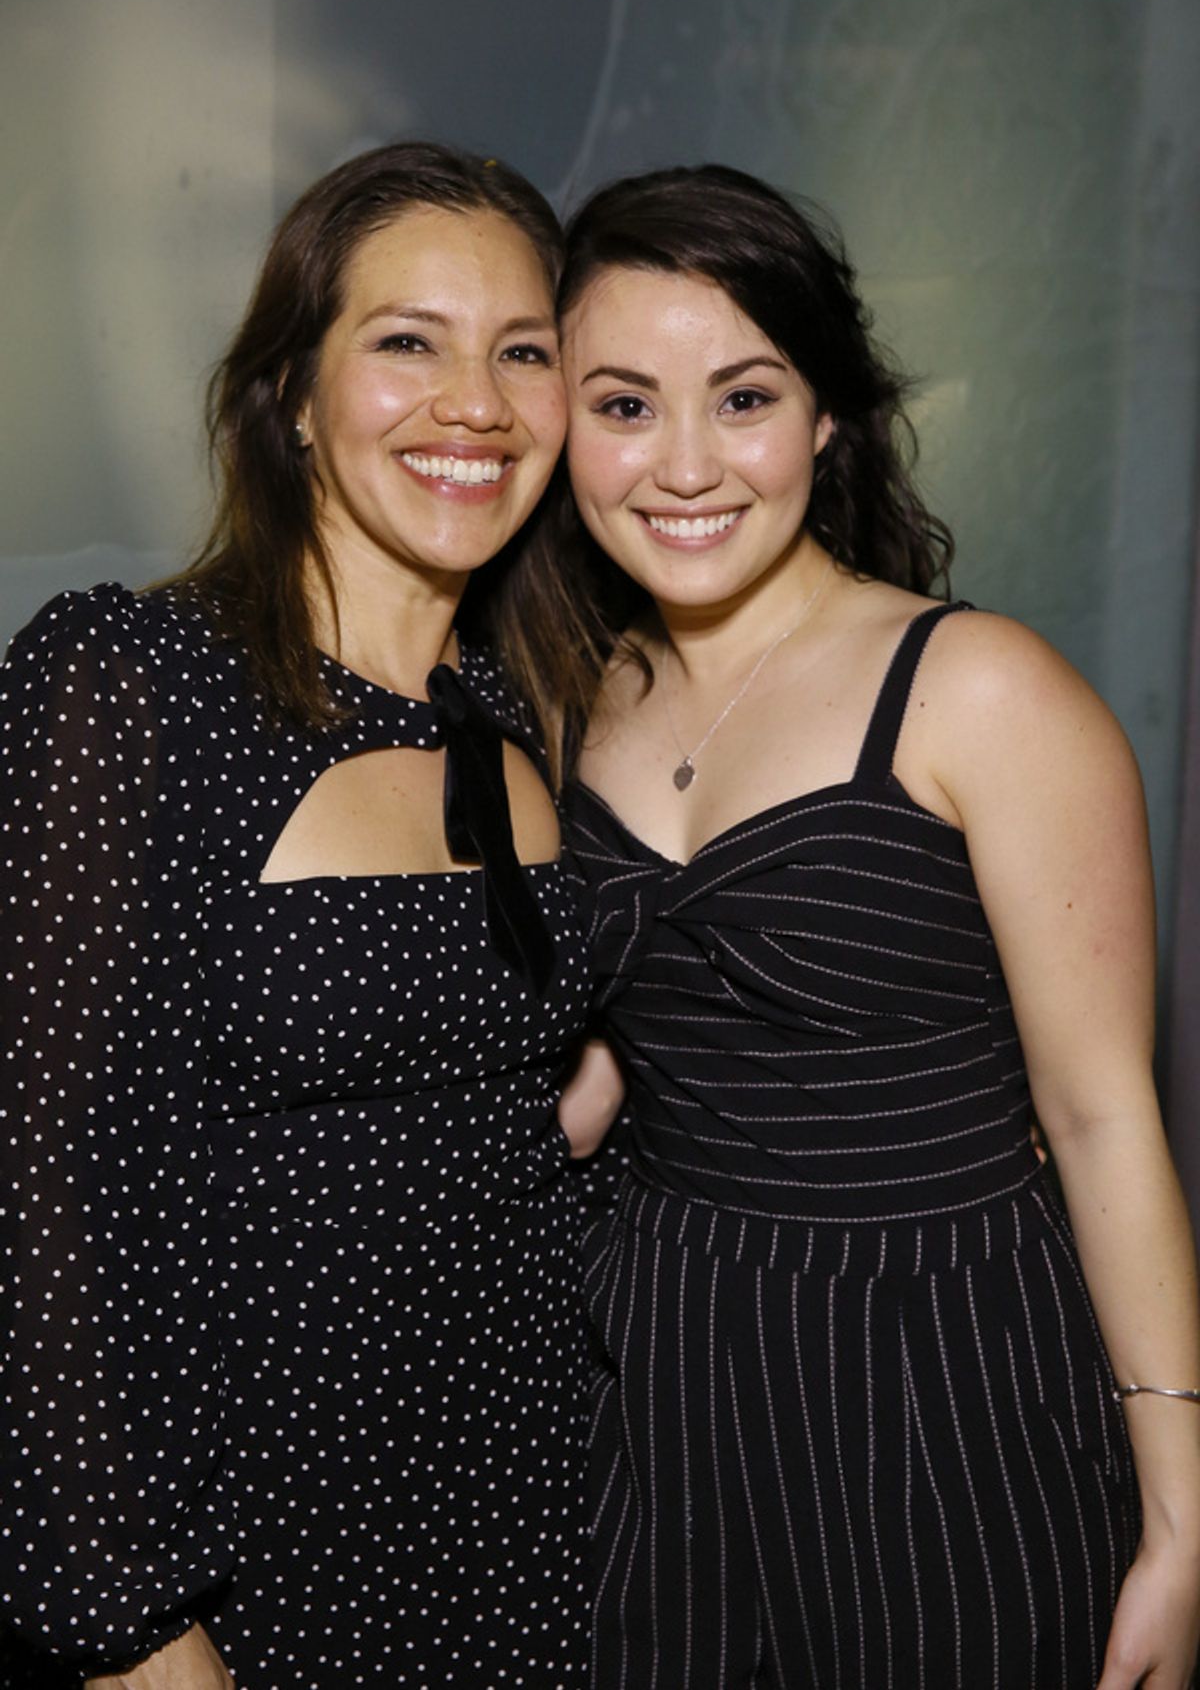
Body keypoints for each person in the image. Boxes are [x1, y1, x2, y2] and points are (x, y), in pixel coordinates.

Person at [549, 164, 1200, 1688]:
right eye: (625, 403)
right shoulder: (571, 699)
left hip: (939, 1364)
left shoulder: (983, 691)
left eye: (747, 396)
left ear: (827, 416)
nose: (687, 463)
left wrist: (1182, 1515)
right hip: (658, 1365)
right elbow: (599, 1067)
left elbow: (1106, 1120)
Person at [0, 141, 594, 1687]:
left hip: (527, 1530)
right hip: (237, 1562)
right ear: (293, 396)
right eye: (408, 341)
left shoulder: (520, 723)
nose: (477, 400)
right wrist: (132, 1623)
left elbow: (507, 1144)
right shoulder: (134, 682)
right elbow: (33, 1184)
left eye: (522, 351)